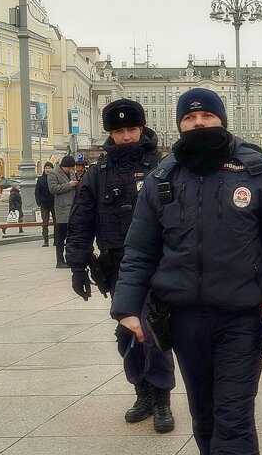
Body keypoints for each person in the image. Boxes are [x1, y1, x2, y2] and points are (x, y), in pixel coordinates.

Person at [111, 88, 262, 455]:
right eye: (189, 117)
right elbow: (140, 251)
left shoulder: (258, 172)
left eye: (206, 114)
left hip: (239, 318)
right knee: (206, 418)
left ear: (222, 119)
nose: (198, 123)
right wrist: (126, 307)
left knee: (234, 415)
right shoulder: (162, 179)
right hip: (183, 319)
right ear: (179, 124)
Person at [66, 98, 176, 433]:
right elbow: (81, 220)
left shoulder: (163, 166)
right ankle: (141, 391)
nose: (126, 136)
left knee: (151, 330)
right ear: (110, 133)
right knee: (127, 332)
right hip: (116, 267)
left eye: (131, 129)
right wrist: (77, 265)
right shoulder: (98, 173)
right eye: (118, 131)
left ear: (141, 128)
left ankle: (161, 399)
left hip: (158, 265)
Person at [47, 155, 79, 267]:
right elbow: (53, 188)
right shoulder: (53, 173)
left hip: (72, 207)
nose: (70, 170)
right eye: (68, 168)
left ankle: (69, 258)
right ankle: (59, 260)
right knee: (61, 235)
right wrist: (69, 185)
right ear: (63, 166)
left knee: (71, 235)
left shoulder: (71, 173)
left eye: (71, 168)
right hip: (62, 208)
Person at [35, 163, 55, 245]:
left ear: (52, 169)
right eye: (46, 168)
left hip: (54, 203)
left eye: (49, 168)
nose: (47, 169)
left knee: (56, 223)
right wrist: (39, 203)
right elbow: (37, 192)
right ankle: (46, 240)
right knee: (45, 223)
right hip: (44, 204)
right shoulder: (41, 179)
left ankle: (56, 240)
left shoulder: (54, 178)